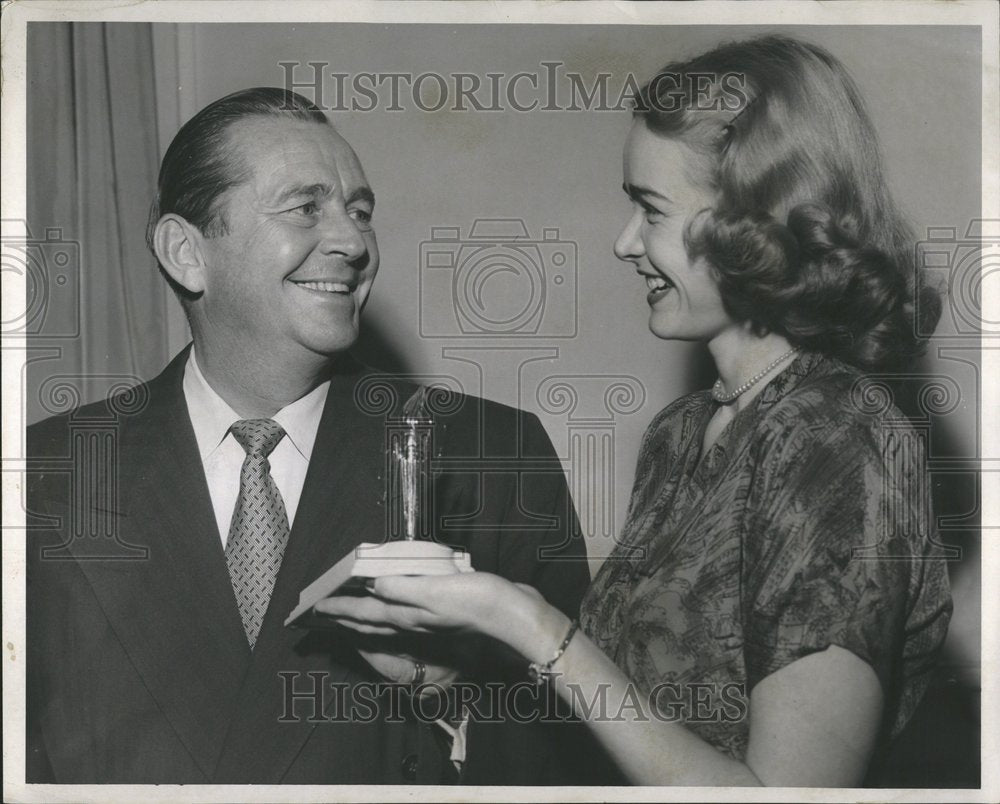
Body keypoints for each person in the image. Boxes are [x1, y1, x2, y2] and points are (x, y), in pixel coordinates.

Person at [316, 35, 954, 787]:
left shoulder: (840, 437)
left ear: (751, 226)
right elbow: (632, 726)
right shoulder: (683, 433)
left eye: (650, 210)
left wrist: (529, 621)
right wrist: (442, 680)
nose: (624, 244)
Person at [25, 87, 591, 784]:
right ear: (186, 251)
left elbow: (572, 761)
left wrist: (450, 695)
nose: (354, 243)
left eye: (360, 211)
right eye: (305, 207)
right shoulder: (49, 476)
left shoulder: (492, 458)